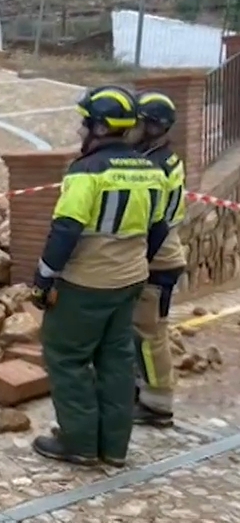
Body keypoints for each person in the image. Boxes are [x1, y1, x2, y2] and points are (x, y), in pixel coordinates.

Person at [29, 86, 169, 468]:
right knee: (117, 360)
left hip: (85, 283)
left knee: (67, 356)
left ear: (101, 127)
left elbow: (66, 229)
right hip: (130, 281)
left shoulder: (86, 172)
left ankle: (79, 443)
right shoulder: (151, 170)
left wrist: (44, 278)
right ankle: (114, 446)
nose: (80, 130)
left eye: (86, 123)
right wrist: (137, 262)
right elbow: (160, 227)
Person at [130, 91, 186, 428]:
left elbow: (157, 223)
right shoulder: (163, 158)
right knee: (143, 330)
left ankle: (157, 402)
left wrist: (140, 260)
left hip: (158, 260)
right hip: (163, 256)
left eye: (137, 122)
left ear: (152, 127)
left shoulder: (154, 166)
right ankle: (143, 390)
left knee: (150, 332)